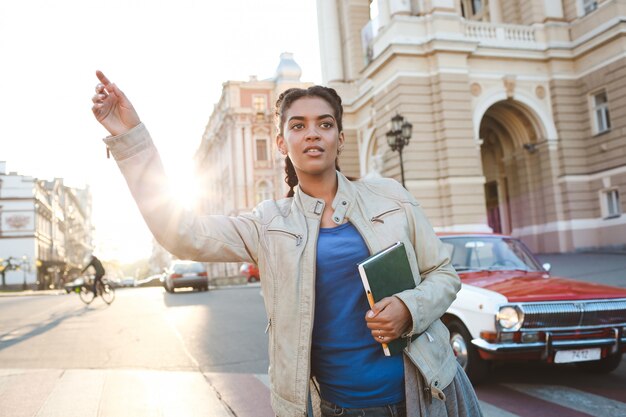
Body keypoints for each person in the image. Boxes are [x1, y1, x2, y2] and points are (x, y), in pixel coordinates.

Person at [91, 70, 483, 417]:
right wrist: (131, 137)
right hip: (338, 408)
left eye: (324, 124)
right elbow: (181, 232)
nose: (312, 132)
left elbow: (443, 274)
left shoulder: (390, 197)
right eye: (298, 126)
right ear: (281, 142)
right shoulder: (268, 224)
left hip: (426, 394)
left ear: (340, 138)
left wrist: (408, 307)